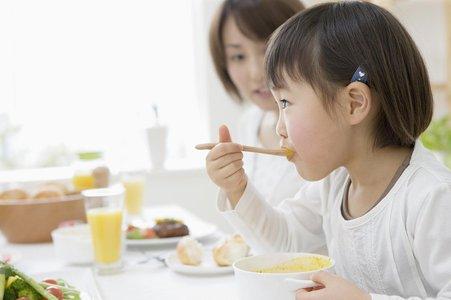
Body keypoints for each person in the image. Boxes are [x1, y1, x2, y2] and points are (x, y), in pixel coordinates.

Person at [205, 1, 451, 299]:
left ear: (354, 104)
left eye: (286, 103)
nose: (279, 128)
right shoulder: (335, 184)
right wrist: (237, 188)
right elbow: (284, 244)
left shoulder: (433, 197)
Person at [209, 0, 306, 208]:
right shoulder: (250, 121)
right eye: (238, 56)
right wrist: (232, 187)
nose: (256, 73)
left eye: (268, 49)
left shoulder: (325, 127)